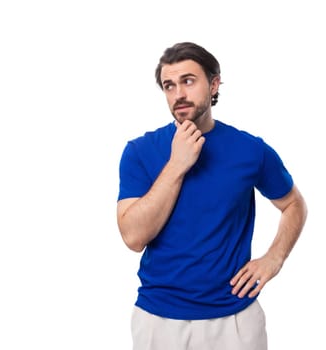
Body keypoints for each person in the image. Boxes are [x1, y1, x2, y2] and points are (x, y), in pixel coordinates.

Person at [116, 42, 308, 350]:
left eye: (188, 81)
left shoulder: (251, 150)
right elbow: (133, 237)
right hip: (159, 318)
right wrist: (177, 165)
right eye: (169, 85)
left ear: (214, 84)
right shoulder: (139, 151)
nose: (178, 94)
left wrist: (275, 258)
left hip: (235, 318)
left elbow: (293, 204)